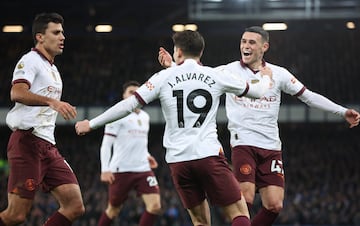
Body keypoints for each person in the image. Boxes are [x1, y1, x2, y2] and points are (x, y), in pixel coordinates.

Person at [158, 26, 360, 226]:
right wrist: (172, 67)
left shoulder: (278, 74)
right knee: (244, 198)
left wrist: (342, 111)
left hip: (271, 147)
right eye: (243, 41)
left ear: (265, 47)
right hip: (243, 144)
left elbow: (309, 96)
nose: (245, 46)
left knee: (274, 205)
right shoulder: (227, 71)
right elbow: (196, 76)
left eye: (251, 42)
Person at [75, 30, 274, 226]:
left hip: (179, 162)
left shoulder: (163, 77)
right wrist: (266, 78)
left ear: (178, 51)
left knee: (200, 221)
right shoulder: (214, 75)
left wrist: (91, 123)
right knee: (239, 213)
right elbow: (256, 91)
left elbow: (128, 105)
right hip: (208, 156)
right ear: (201, 52)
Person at [0, 12, 85, 226]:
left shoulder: (53, 69)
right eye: (56, 32)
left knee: (75, 206)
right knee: (16, 216)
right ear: (40, 37)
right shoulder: (30, 61)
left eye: (63, 32)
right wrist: (52, 102)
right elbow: (17, 92)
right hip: (27, 143)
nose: (62, 37)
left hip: (48, 146)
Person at [97, 80, 162, 226]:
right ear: (124, 96)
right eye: (131, 92)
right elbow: (106, 144)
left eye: (137, 92)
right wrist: (105, 169)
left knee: (155, 206)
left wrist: (147, 155)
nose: (134, 95)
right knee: (113, 210)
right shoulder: (117, 115)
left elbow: (141, 142)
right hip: (121, 170)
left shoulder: (145, 117)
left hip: (143, 169)